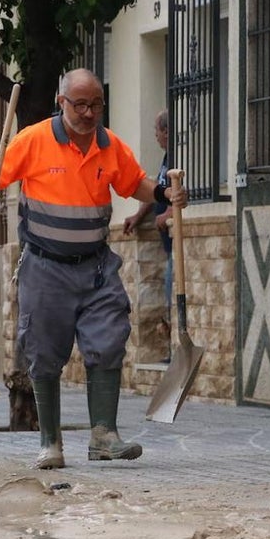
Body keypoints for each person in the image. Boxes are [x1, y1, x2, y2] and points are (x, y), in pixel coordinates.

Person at [0, 69, 187, 469]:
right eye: (80, 105)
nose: (88, 113)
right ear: (61, 102)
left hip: (96, 267)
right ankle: (50, 443)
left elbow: (133, 183)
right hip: (45, 267)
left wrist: (162, 192)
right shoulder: (33, 140)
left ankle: (104, 436)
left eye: (96, 105)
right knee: (43, 351)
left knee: (110, 337)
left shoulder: (109, 146)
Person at [123, 109, 173, 361]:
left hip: (176, 245)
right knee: (167, 292)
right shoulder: (166, 159)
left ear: (167, 132)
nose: (155, 136)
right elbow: (157, 189)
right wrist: (139, 215)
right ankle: (172, 350)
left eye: (157, 131)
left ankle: (175, 352)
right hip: (166, 245)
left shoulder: (178, 158)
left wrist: (170, 212)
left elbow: (184, 191)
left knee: (172, 293)